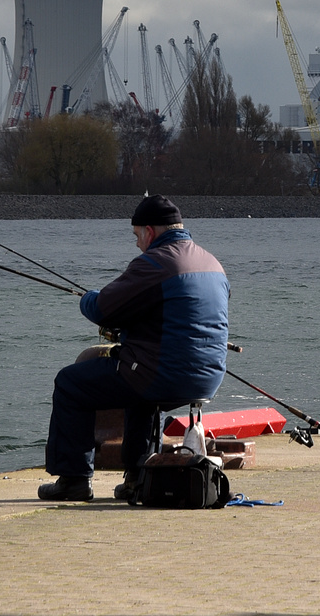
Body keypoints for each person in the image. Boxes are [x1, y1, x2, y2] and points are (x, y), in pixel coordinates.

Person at [38, 195, 230, 501]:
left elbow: (102, 308)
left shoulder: (155, 262)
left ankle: (73, 479)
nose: (137, 243)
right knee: (136, 378)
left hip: (165, 375)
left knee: (70, 383)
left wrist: (87, 297)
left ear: (150, 232)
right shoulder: (212, 263)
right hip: (208, 376)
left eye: (137, 235)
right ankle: (137, 477)